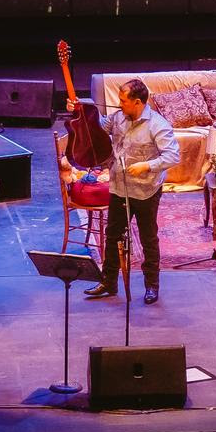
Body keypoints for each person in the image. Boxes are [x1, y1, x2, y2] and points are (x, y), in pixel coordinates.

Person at [84, 79, 178, 303]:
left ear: (137, 102)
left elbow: (173, 156)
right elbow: (95, 126)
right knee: (112, 235)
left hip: (146, 191)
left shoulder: (158, 125)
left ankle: (151, 286)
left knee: (148, 239)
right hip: (119, 187)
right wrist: (80, 108)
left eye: (123, 101)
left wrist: (147, 165)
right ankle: (109, 282)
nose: (119, 104)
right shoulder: (118, 118)